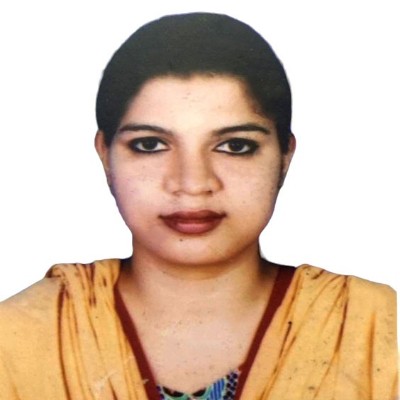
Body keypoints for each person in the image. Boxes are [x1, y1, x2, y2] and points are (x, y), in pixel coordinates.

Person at [0, 12, 397, 400]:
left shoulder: (375, 328)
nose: (192, 184)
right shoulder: (19, 337)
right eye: (150, 145)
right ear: (106, 156)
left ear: (284, 157)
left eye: (235, 146)